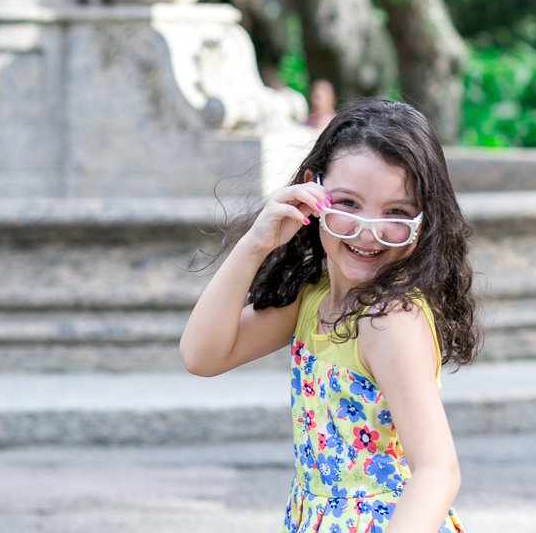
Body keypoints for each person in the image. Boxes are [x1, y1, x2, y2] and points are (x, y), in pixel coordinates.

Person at [181, 98, 479, 533]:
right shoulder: (312, 300)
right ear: (311, 190)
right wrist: (254, 245)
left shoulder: (389, 320)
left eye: (396, 212)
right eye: (348, 204)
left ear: (424, 218)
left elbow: (437, 470)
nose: (367, 230)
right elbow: (202, 355)